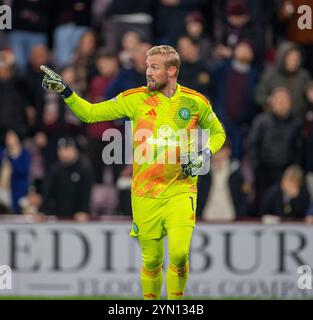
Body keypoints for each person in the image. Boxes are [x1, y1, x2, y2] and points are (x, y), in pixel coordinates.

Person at [40, 45, 226, 300]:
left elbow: (218, 132)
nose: (147, 72)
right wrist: (66, 92)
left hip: (181, 189)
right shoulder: (135, 98)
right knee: (152, 261)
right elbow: (91, 114)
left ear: (172, 71)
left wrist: (205, 153)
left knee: (180, 253)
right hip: (145, 193)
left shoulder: (195, 102)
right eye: (147, 66)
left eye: (154, 67)